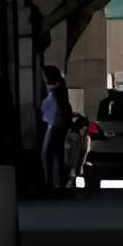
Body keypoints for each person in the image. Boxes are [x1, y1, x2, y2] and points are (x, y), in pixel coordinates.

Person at [39, 63, 72, 192]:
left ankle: (51, 182)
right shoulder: (59, 93)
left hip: (53, 127)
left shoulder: (53, 95)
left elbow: (50, 113)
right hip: (57, 126)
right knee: (57, 154)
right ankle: (58, 181)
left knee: (49, 154)